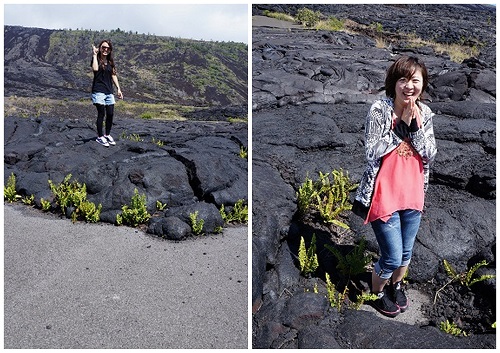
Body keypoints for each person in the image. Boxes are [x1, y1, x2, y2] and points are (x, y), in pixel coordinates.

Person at [353, 56, 437, 317]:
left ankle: (396, 285)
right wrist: (400, 128)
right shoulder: (380, 109)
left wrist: (415, 128)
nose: (408, 85)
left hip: (412, 194)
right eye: (403, 79)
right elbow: (371, 152)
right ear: (394, 83)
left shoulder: (425, 113)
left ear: (422, 85)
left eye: (415, 80)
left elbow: (430, 154)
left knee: (406, 253)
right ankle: (377, 292)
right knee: (391, 256)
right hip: (383, 194)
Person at [91, 40, 123, 147]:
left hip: (109, 92)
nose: (105, 50)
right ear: (100, 48)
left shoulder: (110, 62)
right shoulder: (96, 59)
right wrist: (94, 55)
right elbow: (95, 69)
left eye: (108, 48)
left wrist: (118, 89)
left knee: (110, 114)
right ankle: (100, 137)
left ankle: (107, 134)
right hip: (98, 91)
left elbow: (114, 75)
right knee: (101, 114)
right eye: (103, 47)